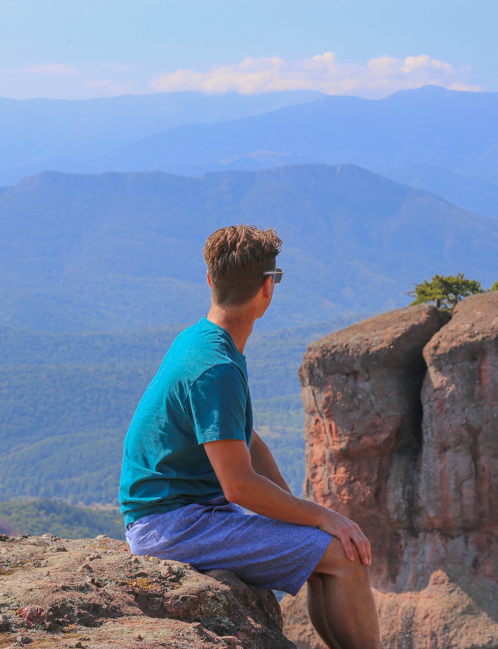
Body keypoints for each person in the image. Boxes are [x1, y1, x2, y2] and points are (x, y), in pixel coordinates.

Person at [119, 225, 381, 649]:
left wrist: (299, 508)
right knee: (344, 557)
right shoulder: (217, 366)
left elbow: (245, 438)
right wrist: (321, 517)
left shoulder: (203, 340)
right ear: (267, 287)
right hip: (172, 525)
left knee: (325, 547)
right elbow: (238, 485)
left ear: (210, 281)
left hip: (175, 513)